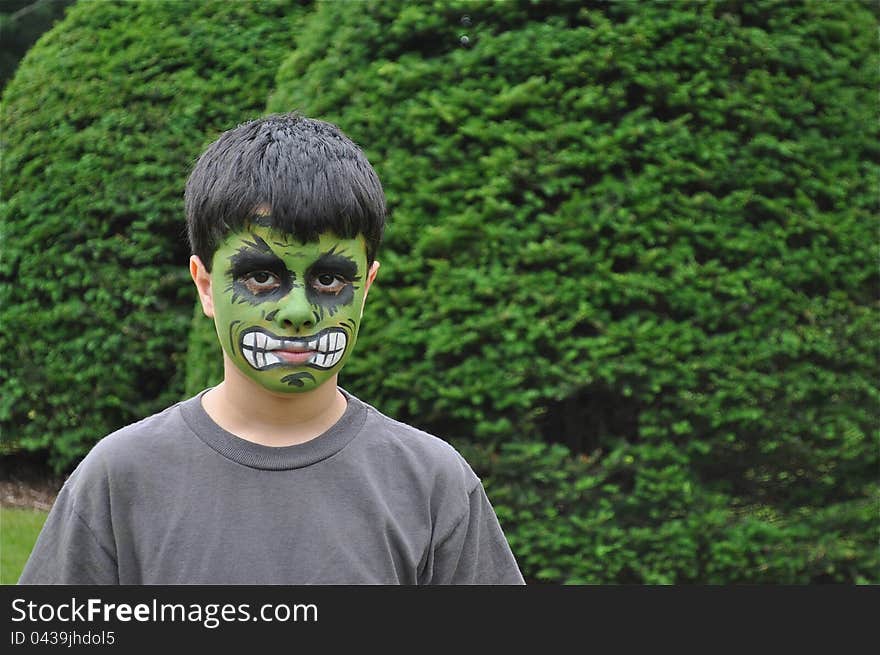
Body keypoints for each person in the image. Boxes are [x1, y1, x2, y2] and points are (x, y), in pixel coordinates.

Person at [19, 113, 525, 585]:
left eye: (329, 279)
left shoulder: (432, 484)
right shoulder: (120, 479)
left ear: (366, 287)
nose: (298, 311)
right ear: (205, 286)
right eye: (261, 276)